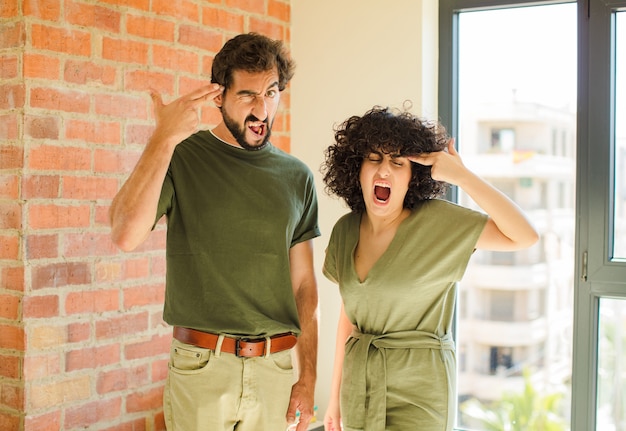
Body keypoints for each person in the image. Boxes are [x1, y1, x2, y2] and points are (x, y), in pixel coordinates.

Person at [109, 33, 320, 431]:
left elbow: (305, 286)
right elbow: (124, 233)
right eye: (247, 96)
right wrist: (164, 137)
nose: (262, 110)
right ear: (218, 97)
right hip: (201, 368)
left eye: (271, 93)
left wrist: (307, 378)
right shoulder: (182, 155)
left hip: (274, 370)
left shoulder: (297, 177)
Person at [320, 106, 539, 431]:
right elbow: (348, 320)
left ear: (413, 177)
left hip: (421, 395)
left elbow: (524, 236)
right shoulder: (344, 231)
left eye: (398, 162)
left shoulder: (440, 224)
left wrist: (463, 176)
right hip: (359, 391)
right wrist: (334, 398)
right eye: (374, 158)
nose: (384, 171)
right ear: (357, 168)